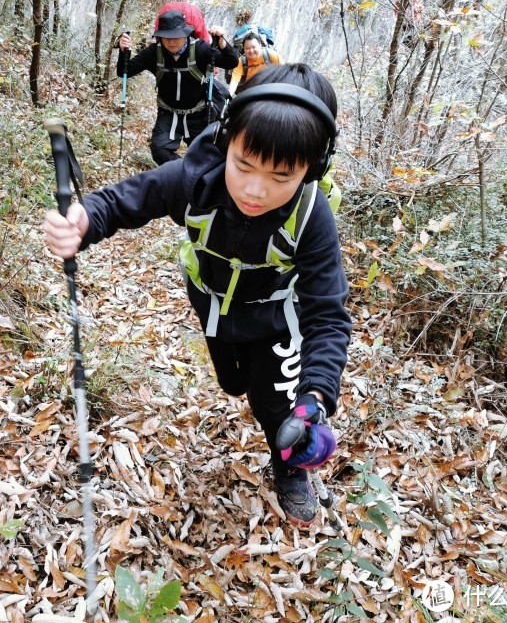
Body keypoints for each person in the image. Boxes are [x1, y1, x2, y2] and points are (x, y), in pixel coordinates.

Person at [44, 63, 351, 527]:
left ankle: (289, 469)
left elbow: (327, 315)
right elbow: (125, 200)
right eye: (244, 164)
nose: (254, 189)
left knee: (277, 404)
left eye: (280, 177)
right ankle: (252, 385)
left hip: (274, 316)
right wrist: (82, 222)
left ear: (312, 169)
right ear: (227, 141)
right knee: (233, 383)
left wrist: (316, 396)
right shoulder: (195, 180)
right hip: (211, 303)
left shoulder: (311, 216)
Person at [117, 9, 238, 165]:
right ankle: (182, 173)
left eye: (176, 36)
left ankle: (192, 179)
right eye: (167, 37)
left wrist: (221, 42)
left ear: (186, 34)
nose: (171, 41)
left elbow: (231, 62)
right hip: (168, 113)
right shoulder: (154, 53)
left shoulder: (200, 49)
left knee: (205, 156)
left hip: (199, 113)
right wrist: (123, 52)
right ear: (160, 37)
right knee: (160, 151)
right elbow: (125, 71)